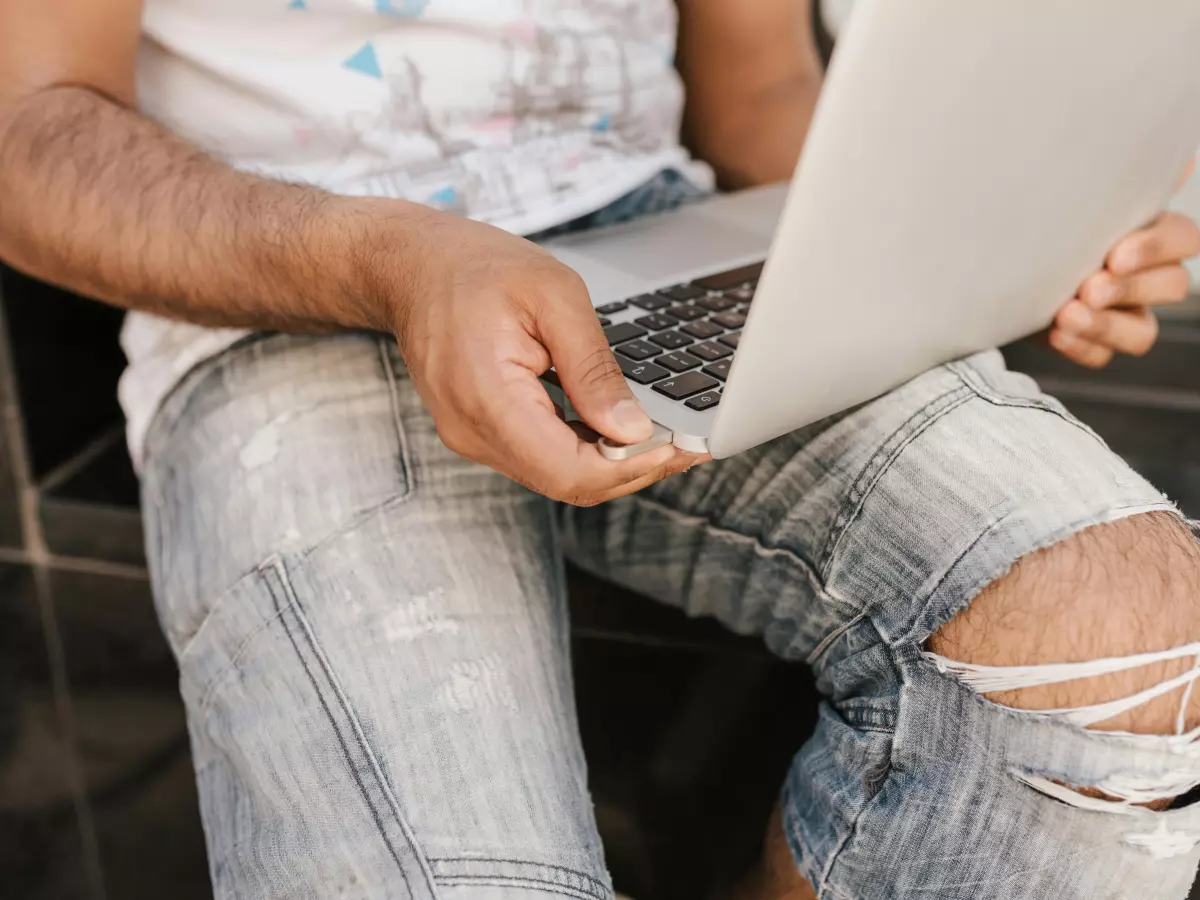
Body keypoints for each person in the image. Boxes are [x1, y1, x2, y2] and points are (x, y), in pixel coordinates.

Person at [3, 1, 1200, 897]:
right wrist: (398, 261)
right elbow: (26, 130)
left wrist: (997, 248)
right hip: (281, 295)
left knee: (1126, 653)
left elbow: (761, 98)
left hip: (663, 245)